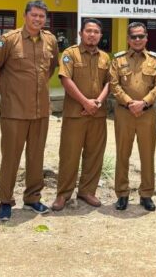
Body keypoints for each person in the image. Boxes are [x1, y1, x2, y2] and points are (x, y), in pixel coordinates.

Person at [0, 0, 59, 220]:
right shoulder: (9, 40)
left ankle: (32, 198)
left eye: (42, 16)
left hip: (41, 111)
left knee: (36, 156)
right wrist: (9, 92)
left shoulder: (50, 40)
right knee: (10, 157)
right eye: (34, 15)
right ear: (25, 15)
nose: (38, 19)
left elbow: (49, 69)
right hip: (14, 111)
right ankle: (5, 201)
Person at [51, 18, 111, 210]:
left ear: (100, 35)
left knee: (94, 155)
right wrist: (85, 102)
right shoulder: (70, 54)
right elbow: (65, 79)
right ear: (81, 33)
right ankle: (63, 194)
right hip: (76, 114)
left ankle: (87, 191)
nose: (92, 34)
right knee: (69, 155)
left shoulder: (105, 57)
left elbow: (109, 83)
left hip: (97, 115)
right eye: (88, 31)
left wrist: (98, 102)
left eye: (96, 31)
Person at [109, 22, 156, 211]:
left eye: (141, 36)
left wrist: (145, 102)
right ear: (128, 39)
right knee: (122, 154)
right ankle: (122, 194)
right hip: (124, 113)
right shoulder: (118, 59)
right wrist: (129, 102)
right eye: (134, 36)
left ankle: (146, 194)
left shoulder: (155, 60)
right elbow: (113, 84)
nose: (138, 40)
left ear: (146, 38)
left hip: (147, 114)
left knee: (147, 155)